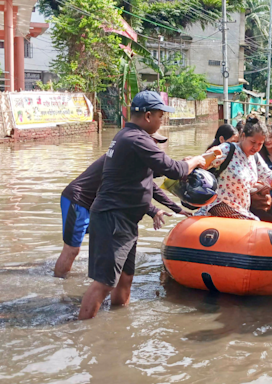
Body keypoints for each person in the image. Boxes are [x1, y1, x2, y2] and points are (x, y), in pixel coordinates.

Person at [78, 91, 206, 320]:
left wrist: (173, 207)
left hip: (125, 220)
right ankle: (80, 333)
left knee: (125, 278)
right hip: (113, 218)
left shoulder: (127, 136)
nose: (161, 121)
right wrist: (196, 160)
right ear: (148, 116)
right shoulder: (137, 139)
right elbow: (174, 170)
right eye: (160, 116)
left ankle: (117, 326)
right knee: (105, 283)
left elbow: (146, 183)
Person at [54, 133, 191, 278]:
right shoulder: (126, 157)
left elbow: (152, 184)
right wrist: (153, 210)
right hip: (79, 200)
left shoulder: (136, 159)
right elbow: (133, 192)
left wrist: (177, 208)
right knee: (72, 250)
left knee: (102, 244)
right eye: (153, 142)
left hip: (95, 206)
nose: (154, 147)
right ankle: (60, 288)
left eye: (156, 143)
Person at [199, 115, 272, 220]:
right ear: (243, 136)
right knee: (254, 222)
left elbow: (270, 178)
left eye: (260, 144)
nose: (256, 147)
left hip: (241, 210)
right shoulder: (228, 149)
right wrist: (204, 157)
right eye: (253, 142)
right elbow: (202, 162)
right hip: (219, 204)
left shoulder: (255, 158)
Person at [256, 124, 272, 220]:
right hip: (265, 189)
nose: (268, 141)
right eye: (266, 138)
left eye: (271, 137)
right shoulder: (258, 155)